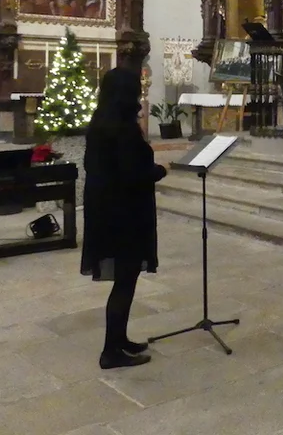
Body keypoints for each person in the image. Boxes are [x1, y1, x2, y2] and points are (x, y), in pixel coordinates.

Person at [81, 68, 166, 370]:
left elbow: (94, 166)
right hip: (125, 216)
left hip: (106, 211)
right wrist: (160, 170)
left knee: (124, 279)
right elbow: (133, 175)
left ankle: (120, 339)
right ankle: (110, 352)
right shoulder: (124, 129)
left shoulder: (101, 123)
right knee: (125, 281)